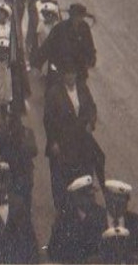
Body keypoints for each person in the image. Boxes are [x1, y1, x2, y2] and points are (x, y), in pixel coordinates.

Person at [43, 67, 105, 210]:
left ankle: (86, 201)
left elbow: (92, 108)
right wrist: (53, 142)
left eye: (73, 73)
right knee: (61, 176)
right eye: (68, 73)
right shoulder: (54, 93)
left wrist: (91, 122)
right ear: (63, 75)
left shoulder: (82, 88)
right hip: (63, 141)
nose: (71, 77)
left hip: (81, 140)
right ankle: (63, 208)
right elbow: (48, 120)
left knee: (94, 161)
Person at [46, 175, 107, 264]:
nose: (91, 199)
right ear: (76, 197)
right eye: (86, 196)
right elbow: (52, 250)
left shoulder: (102, 215)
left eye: (92, 195)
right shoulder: (64, 219)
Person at [33, 2, 97, 83]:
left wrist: (91, 59)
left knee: (84, 94)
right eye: (75, 16)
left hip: (78, 72)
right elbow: (47, 46)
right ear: (71, 16)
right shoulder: (60, 28)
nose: (78, 19)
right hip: (61, 70)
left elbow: (89, 46)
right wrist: (37, 64)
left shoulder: (84, 28)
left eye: (80, 16)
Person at [102, 180, 138, 263]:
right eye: (114, 200)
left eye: (122, 201)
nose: (117, 205)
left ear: (127, 202)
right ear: (106, 198)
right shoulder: (93, 221)